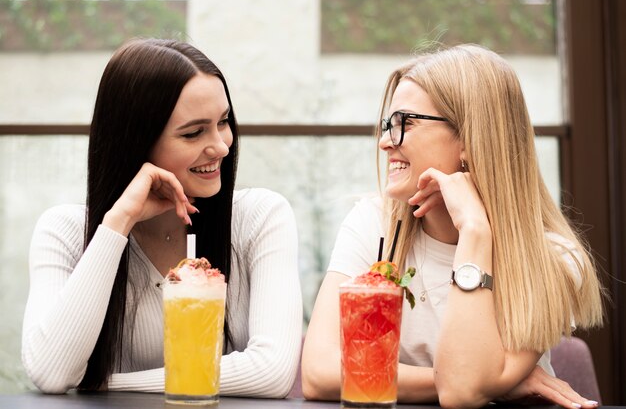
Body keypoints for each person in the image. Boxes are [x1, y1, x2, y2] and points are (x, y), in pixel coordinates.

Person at [302, 44, 604, 408]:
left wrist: (475, 230)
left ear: (468, 138)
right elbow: (319, 372)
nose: (385, 142)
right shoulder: (372, 223)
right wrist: (489, 381)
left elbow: (460, 393)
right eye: (387, 125)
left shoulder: (551, 257)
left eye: (404, 124)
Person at [21, 38, 302, 397]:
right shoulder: (63, 231)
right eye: (193, 132)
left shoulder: (261, 217)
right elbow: (51, 372)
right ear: (136, 142)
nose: (221, 145)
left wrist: (102, 384)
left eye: (224, 121)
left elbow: (271, 372)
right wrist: (118, 222)